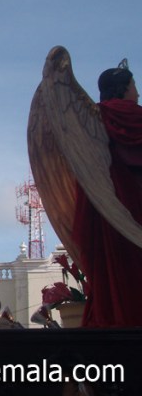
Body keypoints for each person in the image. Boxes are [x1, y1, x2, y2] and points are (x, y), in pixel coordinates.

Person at [72, 60, 142, 326]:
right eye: (134, 84)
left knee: (113, 271)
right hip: (134, 205)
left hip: (106, 209)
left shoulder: (92, 117)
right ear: (124, 87)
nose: (138, 90)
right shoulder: (136, 116)